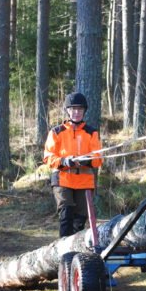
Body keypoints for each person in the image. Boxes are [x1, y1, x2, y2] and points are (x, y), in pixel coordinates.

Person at [43, 92, 103, 237]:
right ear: (68, 111)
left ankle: (78, 252)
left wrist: (87, 160)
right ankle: (64, 253)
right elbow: (48, 157)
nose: (76, 112)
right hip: (63, 180)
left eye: (80, 109)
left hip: (84, 182)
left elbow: (98, 158)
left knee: (80, 221)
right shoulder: (56, 132)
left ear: (84, 111)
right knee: (66, 216)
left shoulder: (91, 133)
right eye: (73, 109)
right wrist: (64, 161)